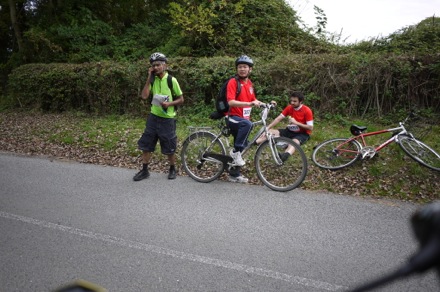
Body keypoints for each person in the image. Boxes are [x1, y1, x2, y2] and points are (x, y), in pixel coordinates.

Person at [133, 52, 184, 181]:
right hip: (154, 117)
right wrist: (149, 77)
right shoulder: (153, 79)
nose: (156, 67)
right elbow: (144, 96)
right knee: (146, 144)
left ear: (165, 65)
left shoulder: (171, 80)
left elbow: (181, 99)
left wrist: (170, 104)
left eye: (158, 65)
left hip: (168, 118)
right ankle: (145, 170)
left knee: (169, 145)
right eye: (153, 65)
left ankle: (172, 168)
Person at [226, 55, 263, 183]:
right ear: (237, 69)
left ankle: (234, 174)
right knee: (247, 126)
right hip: (232, 117)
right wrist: (248, 104)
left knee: (242, 145)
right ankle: (234, 153)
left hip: (242, 119)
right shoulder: (233, 82)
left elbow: (253, 100)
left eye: (245, 67)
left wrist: (263, 104)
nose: (242, 69)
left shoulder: (249, 84)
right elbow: (230, 102)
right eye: (240, 67)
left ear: (250, 69)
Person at [256, 91, 313, 161]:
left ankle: (285, 155)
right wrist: (267, 128)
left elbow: (310, 127)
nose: (292, 103)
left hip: (302, 133)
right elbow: (278, 118)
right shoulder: (289, 107)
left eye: (295, 101)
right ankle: (254, 143)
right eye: (291, 100)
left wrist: (296, 123)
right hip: (289, 130)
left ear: (301, 101)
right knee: (269, 132)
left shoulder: (307, 110)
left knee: (295, 142)